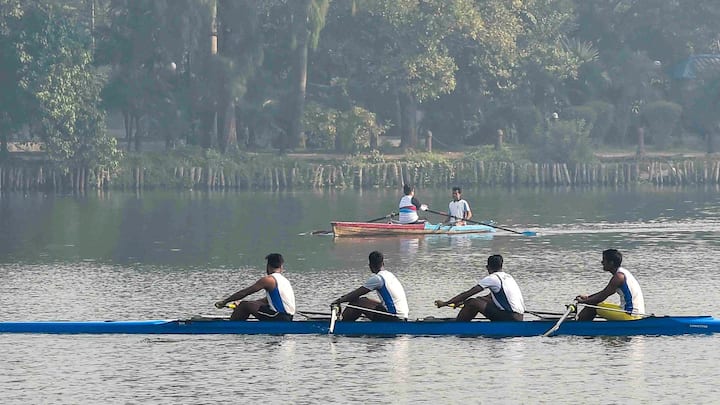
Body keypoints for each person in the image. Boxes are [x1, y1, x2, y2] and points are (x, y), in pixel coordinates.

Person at [435, 254, 525, 321]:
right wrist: (462, 302)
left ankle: (457, 325)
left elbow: (467, 294)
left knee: (472, 302)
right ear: (501, 266)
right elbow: (490, 297)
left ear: (487, 267)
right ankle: (461, 322)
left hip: (510, 317)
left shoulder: (492, 278)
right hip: (519, 317)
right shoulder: (508, 277)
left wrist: (445, 303)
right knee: (476, 300)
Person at [214, 253, 296, 321]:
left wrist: (225, 302)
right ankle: (238, 322)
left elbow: (245, 292)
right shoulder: (284, 280)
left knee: (244, 305)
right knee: (246, 304)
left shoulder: (269, 280)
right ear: (281, 266)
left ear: (268, 266)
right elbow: (266, 300)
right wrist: (247, 303)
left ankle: (231, 327)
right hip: (288, 317)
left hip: (279, 317)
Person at [331, 251, 409, 321]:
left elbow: (355, 294)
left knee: (359, 301)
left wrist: (338, 301)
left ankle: (343, 324)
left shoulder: (378, 278)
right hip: (403, 315)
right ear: (383, 263)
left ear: (370, 266)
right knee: (365, 299)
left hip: (393, 317)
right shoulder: (389, 274)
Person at [575, 249, 645, 321]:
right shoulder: (623, 272)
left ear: (611, 263)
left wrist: (584, 301)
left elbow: (601, 297)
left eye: (604, 260)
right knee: (597, 303)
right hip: (635, 313)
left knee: (593, 305)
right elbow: (604, 292)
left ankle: (579, 327)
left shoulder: (618, 277)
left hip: (630, 315)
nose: (602, 262)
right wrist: (587, 298)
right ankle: (583, 325)